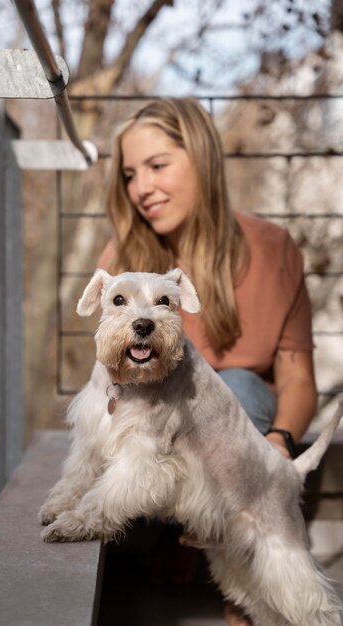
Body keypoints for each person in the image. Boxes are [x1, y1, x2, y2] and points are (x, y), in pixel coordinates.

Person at [97, 97, 317, 626]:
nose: (141, 188)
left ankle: (234, 566)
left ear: (201, 159)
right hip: (154, 444)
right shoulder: (124, 259)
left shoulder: (273, 247)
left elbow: (296, 375)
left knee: (234, 385)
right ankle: (182, 534)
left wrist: (280, 442)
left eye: (157, 165)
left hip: (238, 439)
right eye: (130, 174)